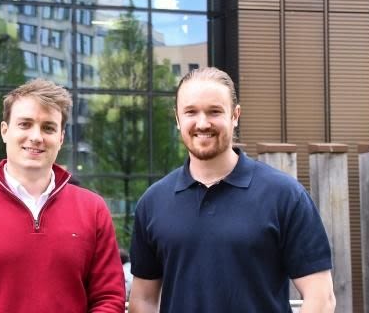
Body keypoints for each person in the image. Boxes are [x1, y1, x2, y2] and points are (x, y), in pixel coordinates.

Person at [128, 67, 336, 313]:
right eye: (191, 112)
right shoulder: (153, 203)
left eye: (214, 111)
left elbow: (321, 297)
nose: (202, 123)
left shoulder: (284, 195)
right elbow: (144, 301)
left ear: (235, 115)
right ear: (177, 119)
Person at [0, 79, 126, 313]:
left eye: (48, 127)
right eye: (25, 124)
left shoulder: (92, 209)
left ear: (61, 138)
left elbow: (109, 299)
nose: (36, 137)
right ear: (4, 131)